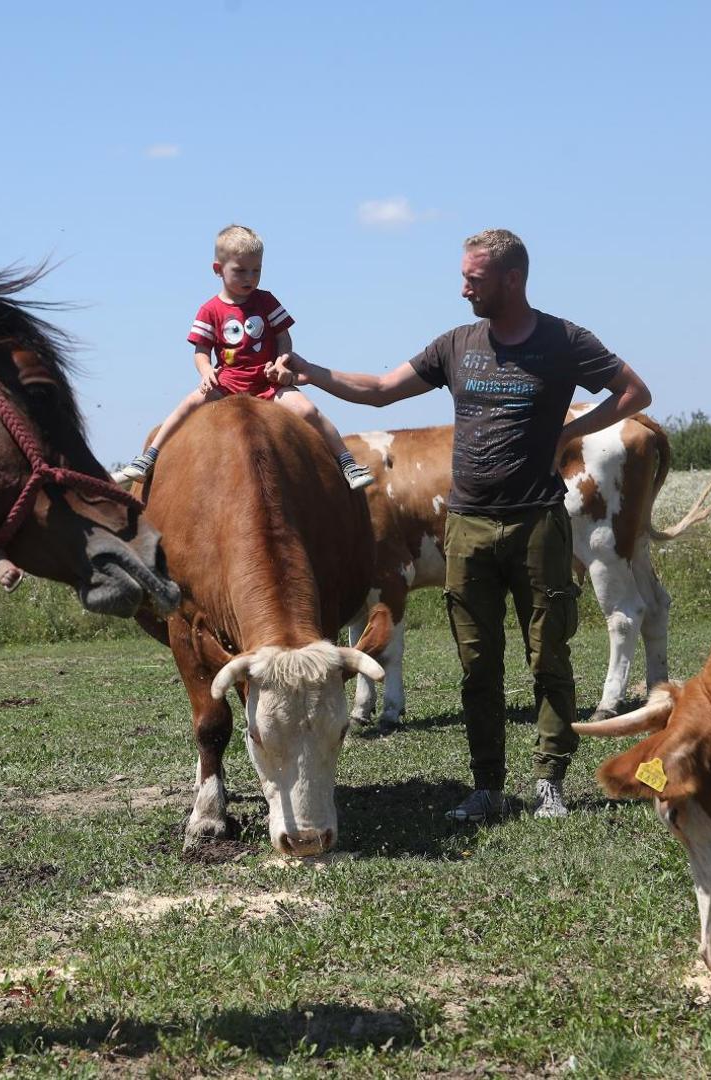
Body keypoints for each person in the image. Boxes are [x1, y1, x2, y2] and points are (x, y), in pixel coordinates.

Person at [269, 228, 651, 822]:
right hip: (467, 525)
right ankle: (487, 786)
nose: (463, 286)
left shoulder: (562, 340)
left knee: (548, 654)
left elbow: (634, 392)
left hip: (537, 524)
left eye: (474, 278)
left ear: (512, 280)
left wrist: (572, 432)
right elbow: (378, 391)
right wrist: (309, 371)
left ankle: (550, 778)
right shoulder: (457, 344)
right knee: (477, 664)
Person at [113, 224, 374, 490]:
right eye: (240, 271)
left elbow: (284, 338)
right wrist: (206, 373)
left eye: (256, 270)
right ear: (218, 270)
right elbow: (201, 352)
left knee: (308, 410)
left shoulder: (266, 301)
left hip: (268, 383)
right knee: (187, 405)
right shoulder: (209, 310)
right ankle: (148, 457)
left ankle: (346, 462)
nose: (250, 277)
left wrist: (282, 363)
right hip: (227, 383)